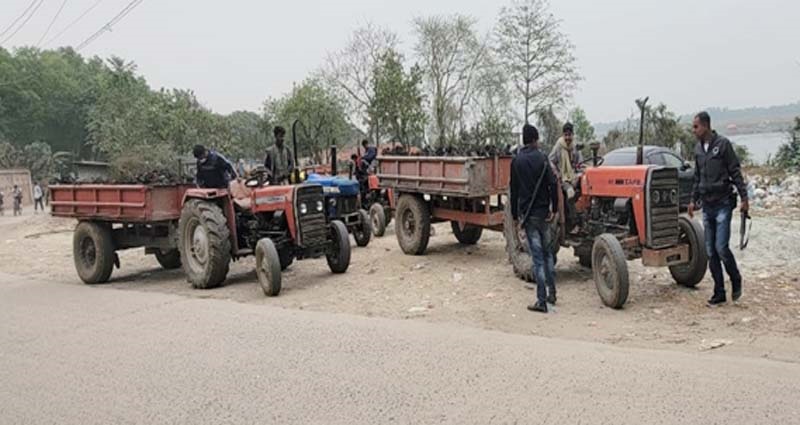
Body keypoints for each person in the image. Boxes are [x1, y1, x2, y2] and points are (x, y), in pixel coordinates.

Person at [688, 111, 748, 306]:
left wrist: (744, 199)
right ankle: (719, 292)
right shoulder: (698, 149)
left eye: (696, 126)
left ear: (705, 126)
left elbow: (735, 172)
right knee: (710, 251)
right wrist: (692, 200)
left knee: (721, 248)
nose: (693, 130)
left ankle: (736, 278)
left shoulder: (723, 145)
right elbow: (697, 178)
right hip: (707, 205)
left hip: (723, 203)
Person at [510, 124, 559, 313]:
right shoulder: (543, 159)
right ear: (535, 139)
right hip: (543, 215)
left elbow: (514, 191)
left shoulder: (517, 162)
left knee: (537, 259)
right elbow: (553, 183)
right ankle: (552, 293)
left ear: (524, 140)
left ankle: (541, 301)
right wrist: (554, 208)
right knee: (548, 255)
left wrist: (515, 216)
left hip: (528, 217)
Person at [550, 122, 578, 230]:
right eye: (565, 135)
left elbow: (579, 163)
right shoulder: (559, 146)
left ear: (572, 135)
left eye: (569, 135)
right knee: (570, 193)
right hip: (562, 177)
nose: (567, 138)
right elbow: (550, 161)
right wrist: (556, 172)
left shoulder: (574, 147)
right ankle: (573, 223)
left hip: (573, 176)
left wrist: (578, 174)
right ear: (563, 135)